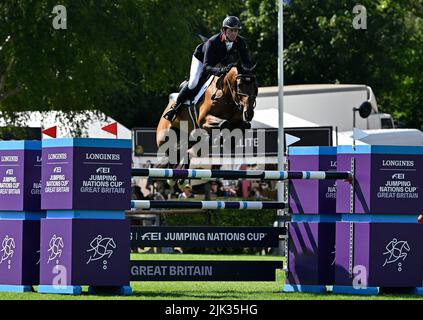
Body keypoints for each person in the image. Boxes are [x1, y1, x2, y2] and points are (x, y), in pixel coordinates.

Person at [163, 16, 253, 122]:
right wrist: (219, 71)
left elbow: (247, 62)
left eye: (236, 30)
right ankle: (175, 108)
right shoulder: (213, 42)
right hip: (202, 60)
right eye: (231, 30)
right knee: (193, 83)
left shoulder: (240, 42)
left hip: (221, 62)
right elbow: (206, 67)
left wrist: (249, 73)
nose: (234, 33)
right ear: (224, 30)